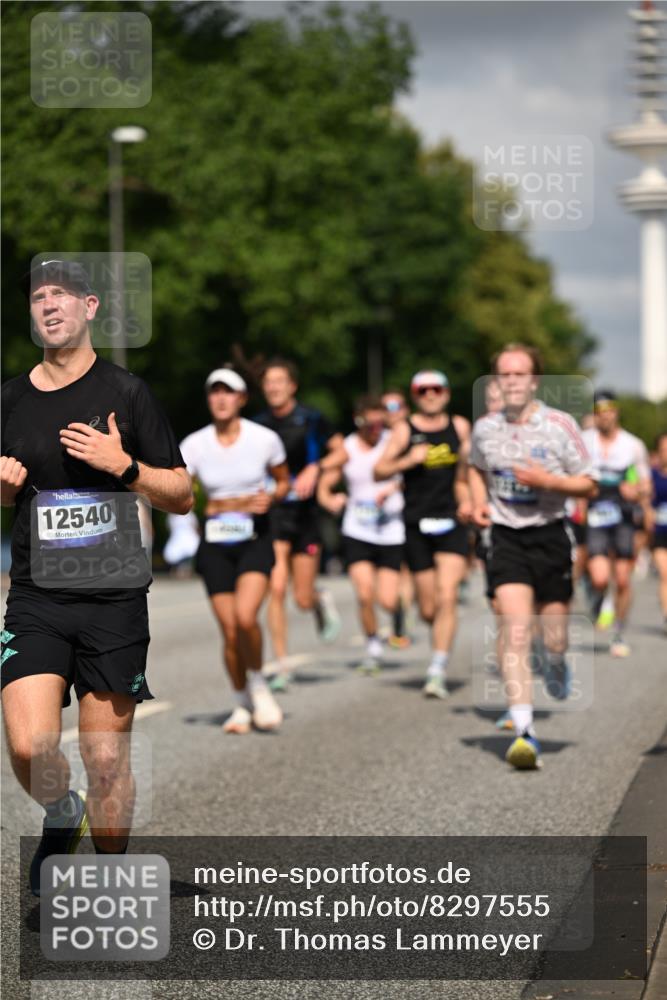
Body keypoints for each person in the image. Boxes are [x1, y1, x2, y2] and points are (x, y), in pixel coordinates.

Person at [1, 259, 193, 894]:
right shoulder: (9, 399)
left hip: (113, 598)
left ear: (90, 307)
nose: (49, 304)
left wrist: (125, 466)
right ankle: (62, 811)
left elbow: (181, 495)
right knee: (29, 746)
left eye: (62, 293)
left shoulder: (128, 393)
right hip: (37, 597)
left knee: (105, 757)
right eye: (39, 296)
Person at [469, 343, 596, 770]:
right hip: (506, 536)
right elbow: (474, 468)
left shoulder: (560, 426)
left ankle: (556, 660)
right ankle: (524, 731)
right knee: (516, 630)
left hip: (550, 535)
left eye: (519, 374)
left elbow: (589, 483)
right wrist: (477, 502)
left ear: (535, 380)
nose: (511, 382)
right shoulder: (485, 429)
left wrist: (547, 481)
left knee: (554, 635)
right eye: (504, 375)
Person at [180, 368, 290, 733]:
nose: (221, 398)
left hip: (254, 538)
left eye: (228, 392)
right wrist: (196, 512)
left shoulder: (265, 439)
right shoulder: (194, 444)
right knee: (229, 632)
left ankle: (259, 686)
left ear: (242, 398)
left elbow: (283, 481)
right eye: (215, 392)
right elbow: (179, 490)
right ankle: (241, 702)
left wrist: (270, 496)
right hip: (215, 543)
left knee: (245, 618)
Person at [375, 370, 472, 699]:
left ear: (446, 393)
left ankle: (437, 668)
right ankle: (438, 637)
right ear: (415, 395)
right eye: (423, 390)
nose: (430, 395)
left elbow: (471, 470)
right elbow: (379, 470)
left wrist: (470, 502)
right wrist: (407, 460)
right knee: (428, 608)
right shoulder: (405, 429)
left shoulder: (460, 427)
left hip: (452, 520)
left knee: (448, 595)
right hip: (416, 524)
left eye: (437, 389)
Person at [254, 358, 342, 691]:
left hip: (305, 516)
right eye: (268, 382)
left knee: (301, 599)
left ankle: (318, 599)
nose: (273, 387)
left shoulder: (312, 418)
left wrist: (316, 468)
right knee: (276, 589)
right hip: (274, 515)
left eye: (279, 381)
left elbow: (342, 453)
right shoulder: (257, 425)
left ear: (292, 385)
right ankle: (282, 665)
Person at [317, 395, 406, 673]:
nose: (376, 429)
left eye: (380, 423)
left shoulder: (393, 442)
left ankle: (398, 611)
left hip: (390, 529)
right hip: (357, 529)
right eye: (370, 424)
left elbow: (412, 476)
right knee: (365, 594)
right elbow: (326, 482)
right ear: (359, 421)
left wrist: (393, 488)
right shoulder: (348, 447)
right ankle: (373, 647)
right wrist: (329, 499)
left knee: (387, 600)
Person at [581, 391, 652, 657]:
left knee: (622, 579)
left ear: (617, 412)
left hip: (623, 515)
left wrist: (637, 491)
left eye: (609, 410)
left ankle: (619, 632)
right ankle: (599, 600)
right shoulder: (584, 441)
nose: (605, 416)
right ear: (594, 415)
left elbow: (645, 484)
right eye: (599, 411)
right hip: (596, 514)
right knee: (600, 578)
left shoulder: (632, 444)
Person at [381, 389, 414, 645]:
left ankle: (400, 622)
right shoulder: (378, 438)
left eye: (396, 406)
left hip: (408, 511)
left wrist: (396, 486)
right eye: (386, 407)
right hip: (378, 517)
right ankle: (396, 611)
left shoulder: (413, 436)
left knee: (404, 570)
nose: (391, 413)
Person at [648, 432, 667, 633]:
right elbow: (646, 500)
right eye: (663, 449)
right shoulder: (652, 474)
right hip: (660, 532)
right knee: (665, 574)